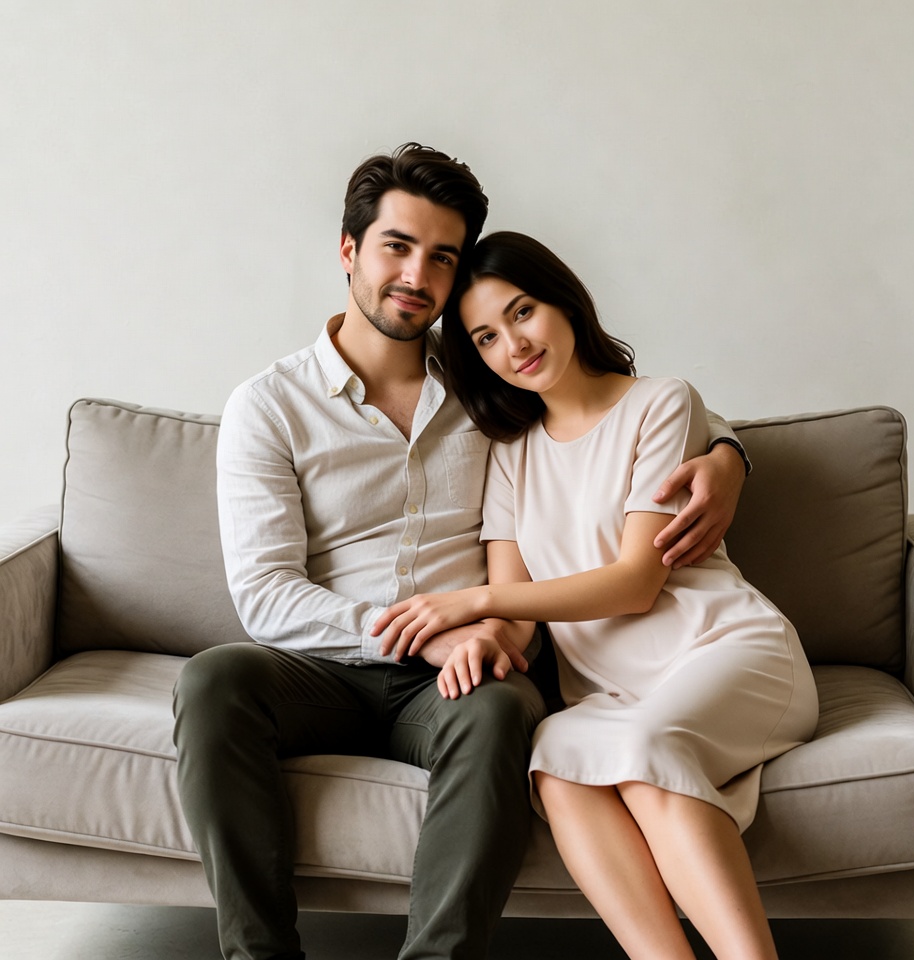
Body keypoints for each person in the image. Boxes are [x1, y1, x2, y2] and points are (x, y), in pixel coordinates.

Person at [172, 145, 750, 960]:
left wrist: (728, 455)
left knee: (506, 709)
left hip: (462, 676)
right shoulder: (268, 406)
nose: (416, 275)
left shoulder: (489, 385)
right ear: (349, 251)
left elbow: (618, 404)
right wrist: (423, 631)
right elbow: (266, 595)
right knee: (212, 678)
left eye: (441, 257)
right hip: (321, 665)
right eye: (396, 247)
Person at [373, 232, 819, 960]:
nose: (512, 345)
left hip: (726, 649)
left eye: (523, 313)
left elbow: (636, 582)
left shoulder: (661, 403)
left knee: (642, 749)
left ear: (567, 304)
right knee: (554, 755)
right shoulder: (512, 454)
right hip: (610, 693)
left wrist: (467, 605)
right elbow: (517, 608)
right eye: (486, 336)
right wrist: (491, 634)